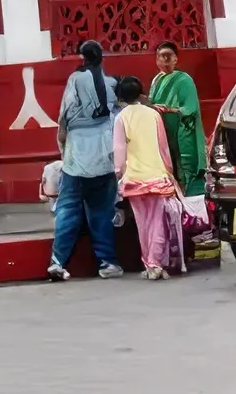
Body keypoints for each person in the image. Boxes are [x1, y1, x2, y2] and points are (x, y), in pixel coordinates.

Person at [49, 40, 120, 280]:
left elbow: (65, 116)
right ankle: (107, 262)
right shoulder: (112, 83)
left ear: (83, 58)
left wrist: (63, 148)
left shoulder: (75, 80)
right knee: (101, 212)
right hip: (105, 155)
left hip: (76, 156)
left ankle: (58, 262)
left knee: (68, 210)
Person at [112, 77, 186, 279]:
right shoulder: (153, 115)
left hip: (134, 179)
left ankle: (150, 263)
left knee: (142, 223)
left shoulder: (121, 118)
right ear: (141, 93)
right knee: (157, 222)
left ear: (120, 96)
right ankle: (156, 262)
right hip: (157, 176)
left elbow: (119, 152)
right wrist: (168, 171)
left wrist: (119, 174)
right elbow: (163, 147)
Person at [147, 42, 207, 224]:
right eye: (160, 56)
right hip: (164, 133)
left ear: (176, 58)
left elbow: (190, 108)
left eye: (168, 56)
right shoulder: (156, 80)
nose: (164, 60)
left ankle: (198, 221)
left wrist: (169, 110)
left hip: (183, 133)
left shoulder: (184, 79)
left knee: (186, 172)